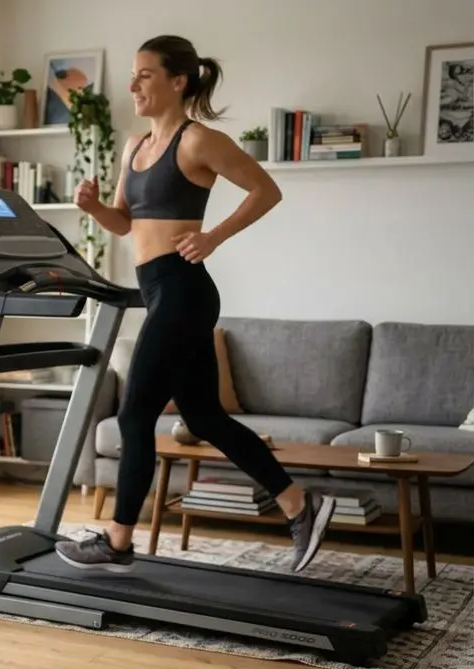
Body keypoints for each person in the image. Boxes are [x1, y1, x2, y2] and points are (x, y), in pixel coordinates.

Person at [54, 34, 334, 573]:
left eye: (145, 75)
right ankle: (300, 503)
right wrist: (92, 209)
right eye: (133, 75)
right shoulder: (134, 146)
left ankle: (118, 541)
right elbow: (125, 223)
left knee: (135, 414)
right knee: (204, 416)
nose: (133, 84)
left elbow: (266, 190)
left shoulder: (197, 140)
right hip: (159, 290)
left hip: (184, 291)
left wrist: (214, 237)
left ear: (177, 81)